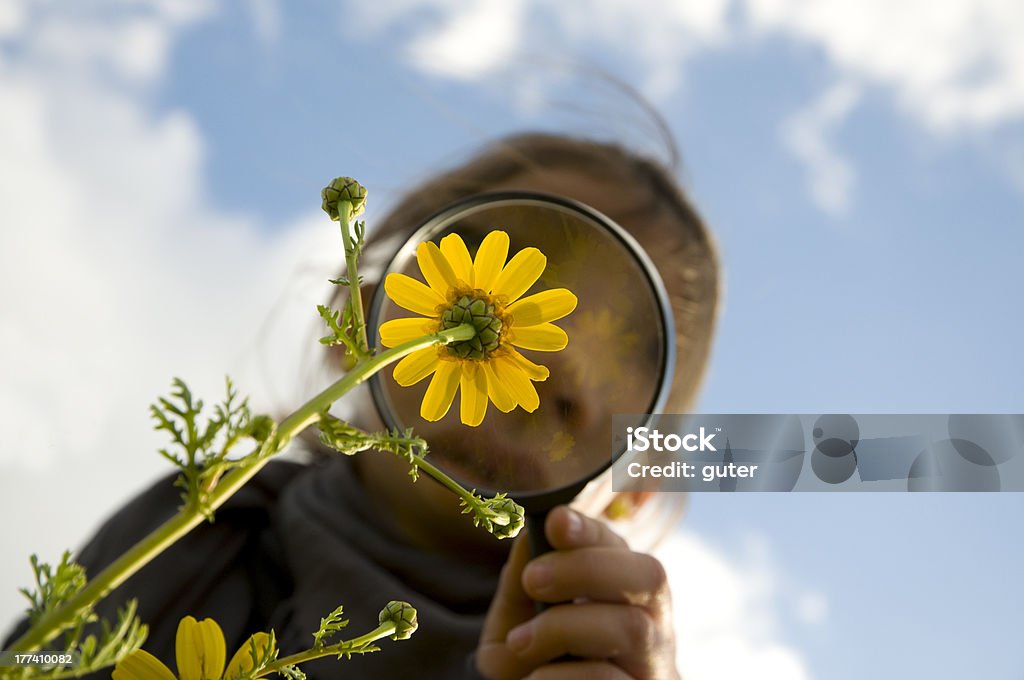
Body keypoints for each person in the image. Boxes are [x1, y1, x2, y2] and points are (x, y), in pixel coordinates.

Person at [4, 132, 720, 679]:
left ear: (642, 481)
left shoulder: (576, 660)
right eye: (488, 259)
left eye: (631, 349)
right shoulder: (189, 524)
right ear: (364, 322)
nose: (555, 366)